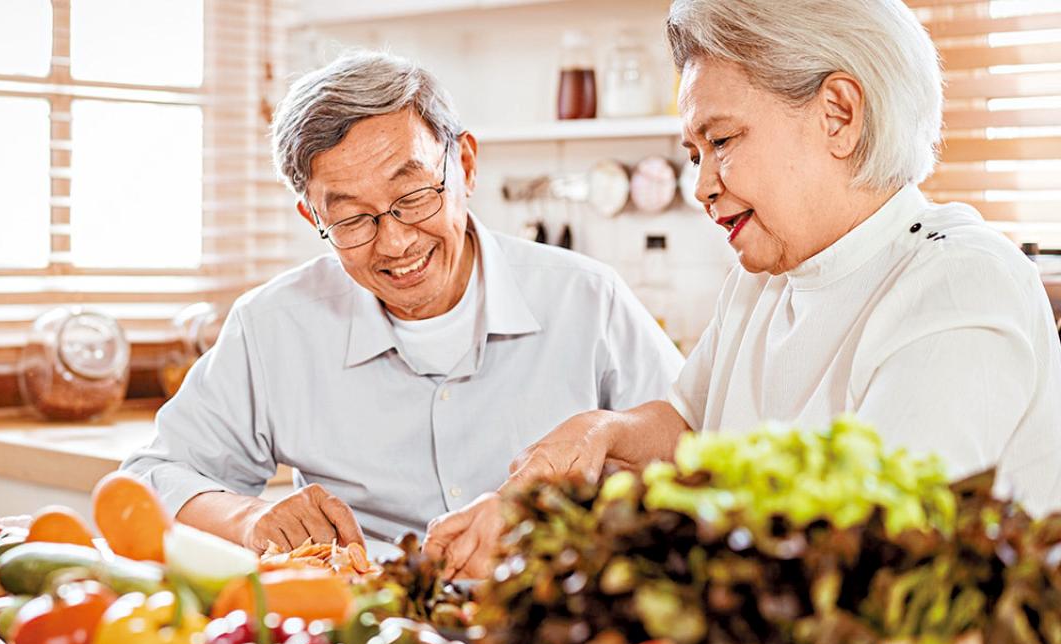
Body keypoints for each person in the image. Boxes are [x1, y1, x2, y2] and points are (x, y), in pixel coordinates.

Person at [425, 0, 1061, 576]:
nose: (701, 185)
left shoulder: (958, 281)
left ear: (839, 114)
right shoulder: (764, 279)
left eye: (722, 141)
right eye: (695, 153)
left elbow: (870, 550)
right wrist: (602, 431)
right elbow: (692, 435)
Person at [121, 50, 682, 557]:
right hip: (363, 641)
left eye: (412, 196)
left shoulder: (586, 298)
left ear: (463, 165)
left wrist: (587, 462)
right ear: (313, 219)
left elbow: (697, 448)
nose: (395, 242)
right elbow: (149, 478)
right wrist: (250, 519)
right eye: (350, 218)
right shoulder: (274, 326)